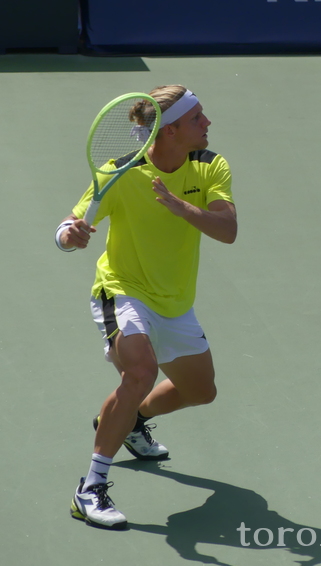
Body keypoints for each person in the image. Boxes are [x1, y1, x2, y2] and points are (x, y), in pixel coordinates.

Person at [54, 85, 237, 530]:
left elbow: (228, 230)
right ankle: (90, 489)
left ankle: (132, 417)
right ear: (170, 130)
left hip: (175, 303)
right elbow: (71, 226)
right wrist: (69, 237)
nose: (208, 124)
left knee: (201, 392)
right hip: (122, 289)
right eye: (198, 119)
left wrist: (181, 208)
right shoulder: (120, 173)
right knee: (139, 372)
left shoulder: (210, 165)